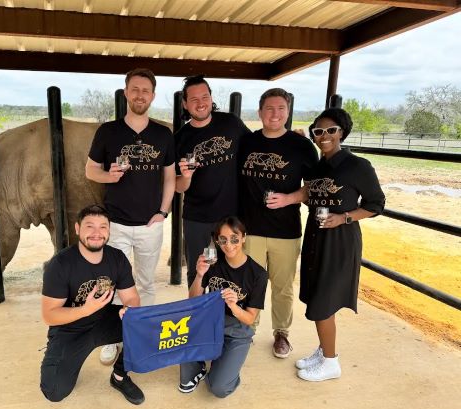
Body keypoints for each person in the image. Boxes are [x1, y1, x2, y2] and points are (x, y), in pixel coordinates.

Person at [85, 68, 176, 363]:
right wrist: (109, 177)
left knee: (147, 283)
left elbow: (171, 177)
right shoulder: (108, 131)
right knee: (111, 283)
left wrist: (163, 212)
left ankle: (141, 333)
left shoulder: (163, 134)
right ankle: (112, 336)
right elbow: (90, 170)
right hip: (117, 224)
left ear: (152, 95)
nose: (140, 95)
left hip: (151, 224)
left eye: (145, 90)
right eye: (134, 89)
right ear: (126, 93)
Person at [297, 108, 385, 381]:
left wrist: (344, 217)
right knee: (315, 294)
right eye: (318, 131)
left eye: (331, 130)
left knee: (323, 301)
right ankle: (325, 350)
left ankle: (331, 362)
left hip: (340, 241)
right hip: (316, 236)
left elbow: (376, 204)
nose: (325, 136)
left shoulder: (358, 166)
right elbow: (309, 197)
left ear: (342, 132)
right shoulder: (318, 167)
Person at [238, 88, 319, 358]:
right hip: (250, 227)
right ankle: (248, 328)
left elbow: (313, 187)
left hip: (286, 229)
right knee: (249, 283)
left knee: (283, 285)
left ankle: (281, 333)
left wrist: (289, 198)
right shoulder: (246, 142)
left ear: (288, 111)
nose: (275, 114)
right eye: (269, 108)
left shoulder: (302, 146)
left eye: (281, 108)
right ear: (260, 112)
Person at [39, 205, 145, 404]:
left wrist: (129, 310)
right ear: (78, 229)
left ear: (109, 231)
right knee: (54, 392)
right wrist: (85, 309)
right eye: (90, 226)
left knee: (142, 323)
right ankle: (57, 355)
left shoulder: (117, 258)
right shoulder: (60, 265)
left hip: (103, 320)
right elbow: (49, 315)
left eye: (103, 227)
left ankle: (119, 377)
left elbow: (131, 297)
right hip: (70, 329)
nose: (97, 233)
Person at [174, 75, 250, 287]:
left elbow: (255, 147)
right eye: (194, 99)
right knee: (197, 272)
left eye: (205, 96)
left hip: (231, 216)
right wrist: (186, 176)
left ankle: (228, 317)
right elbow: (178, 187)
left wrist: (288, 139)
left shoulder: (231, 123)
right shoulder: (180, 139)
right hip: (196, 217)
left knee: (231, 270)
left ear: (211, 98)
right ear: (185, 104)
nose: (201, 103)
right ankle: (198, 317)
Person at [179, 216, 268, 397]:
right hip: (211, 321)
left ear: (244, 238)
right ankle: (200, 366)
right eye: (223, 240)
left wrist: (234, 306)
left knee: (219, 388)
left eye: (235, 239)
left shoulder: (258, 274)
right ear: (217, 241)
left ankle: (224, 361)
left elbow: (250, 318)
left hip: (238, 329)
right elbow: (193, 300)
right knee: (185, 379)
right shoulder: (212, 262)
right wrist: (198, 275)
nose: (229, 245)